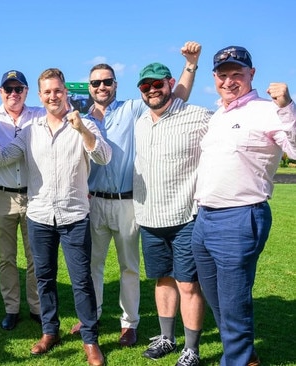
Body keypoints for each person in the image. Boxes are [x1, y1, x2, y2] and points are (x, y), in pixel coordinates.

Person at [74, 41, 202, 348]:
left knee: (129, 266)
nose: (101, 86)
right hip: (93, 201)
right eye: (96, 83)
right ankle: (91, 317)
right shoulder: (80, 114)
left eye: (107, 81)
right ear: (89, 87)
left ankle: (129, 323)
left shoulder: (133, 109)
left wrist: (190, 66)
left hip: (128, 201)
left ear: (115, 84)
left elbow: (175, 98)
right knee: (93, 265)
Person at [0, 68, 111, 366]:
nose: (53, 96)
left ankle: (90, 340)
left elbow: (104, 157)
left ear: (65, 92)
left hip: (74, 215)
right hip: (39, 215)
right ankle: (49, 331)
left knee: (81, 281)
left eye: (57, 90)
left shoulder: (84, 123)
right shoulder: (30, 130)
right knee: (44, 278)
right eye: (47, 92)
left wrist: (82, 129)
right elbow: (2, 157)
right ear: (40, 96)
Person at [191, 46, 296, 366]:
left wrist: (288, 106)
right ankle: (246, 356)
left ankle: (235, 361)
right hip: (205, 218)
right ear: (214, 78)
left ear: (252, 74)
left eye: (237, 74)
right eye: (223, 75)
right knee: (217, 300)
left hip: (240, 216)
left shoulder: (268, 110)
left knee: (234, 303)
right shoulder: (219, 114)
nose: (229, 81)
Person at [133, 62, 211, 366]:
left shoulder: (198, 116)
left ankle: (191, 349)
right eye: (145, 86)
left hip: (184, 216)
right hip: (149, 218)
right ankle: (166, 338)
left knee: (188, 283)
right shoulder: (141, 121)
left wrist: (191, 64)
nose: (152, 90)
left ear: (170, 83)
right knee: (162, 280)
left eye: (157, 84)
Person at [0, 70, 45, 330]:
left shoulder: (38, 116)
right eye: (9, 89)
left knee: (35, 258)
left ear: (27, 92)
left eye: (19, 89)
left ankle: (37, 307)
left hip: (34, 196)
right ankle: (11, 308)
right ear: (0, 92)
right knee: (6, 258)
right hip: (1, 196)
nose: (14, 94)